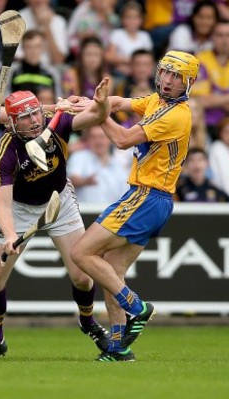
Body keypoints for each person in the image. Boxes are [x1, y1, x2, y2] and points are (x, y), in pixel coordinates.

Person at [71, 51, 199, 361]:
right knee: (111, 273)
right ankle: (119, 347)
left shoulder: (177, 114)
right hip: (153, 200)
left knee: (80, 253)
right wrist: (90, 103)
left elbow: (123, 139)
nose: (167, 81)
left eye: (176, 77)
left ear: (188, 84)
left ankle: (138, 307)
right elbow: (120, 103)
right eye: (165, 73)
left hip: (146, 196)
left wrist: (98, 114)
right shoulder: (157, 101)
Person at [0, 83, 113, 359]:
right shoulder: (6, 152)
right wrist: (10, 234)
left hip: (59, 200)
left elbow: (97, 117)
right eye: (26, 117)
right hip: (20, 208)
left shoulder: (57, 123)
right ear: (12, 122)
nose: (35, 120)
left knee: (84, 276)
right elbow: (2, 206)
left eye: (36, 113)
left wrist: (101, 102)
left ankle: (88, 322)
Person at [67, 125, 128, 204]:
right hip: (84, 214)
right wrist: (84, 181)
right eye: (93, 137)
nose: (98, 141)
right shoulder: (79, 157)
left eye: (101, 137)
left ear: (109, 139)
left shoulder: (119, 164)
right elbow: (70, 181)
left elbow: (124, 194)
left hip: (111, 214)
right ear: (87, 140)